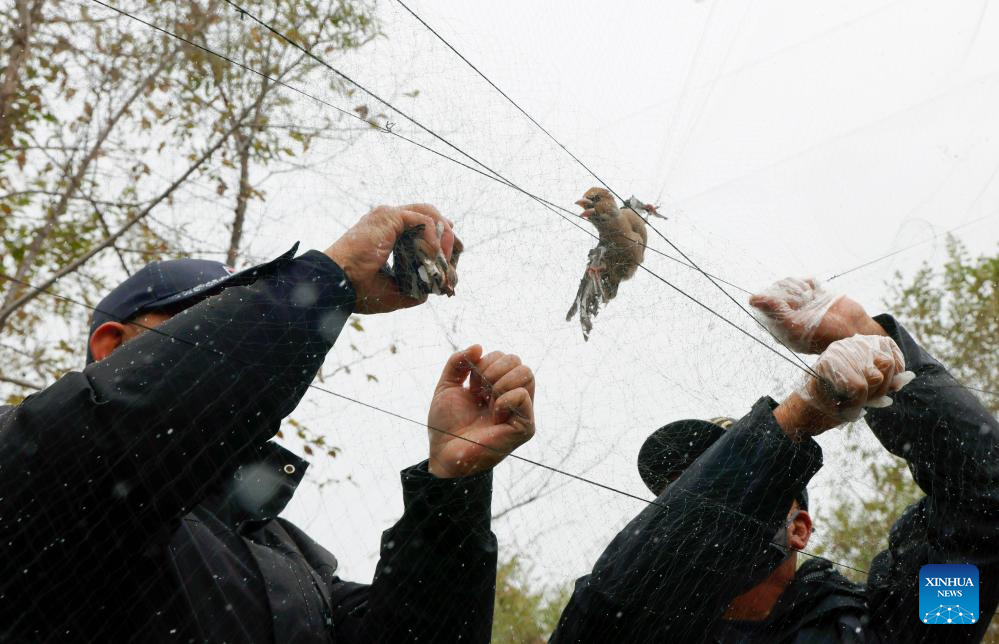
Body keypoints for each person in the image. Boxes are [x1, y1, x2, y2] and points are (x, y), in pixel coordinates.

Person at [0, 204, 538, 642]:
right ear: (112, 346)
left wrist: (451, 490)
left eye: (231, 317)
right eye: (202, 319)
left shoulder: (294, 560)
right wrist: (329, 282)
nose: (225, 337)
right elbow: (115, 435)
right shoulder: (33, 459)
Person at [551, 277, 999, 643]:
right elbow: (616, 594)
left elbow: (987, 506)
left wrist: (881, 346)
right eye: (682, 491)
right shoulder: (625, 626)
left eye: (754, 489)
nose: (711, 508)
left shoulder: (892, 631)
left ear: (799, 529)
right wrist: (796, 417)